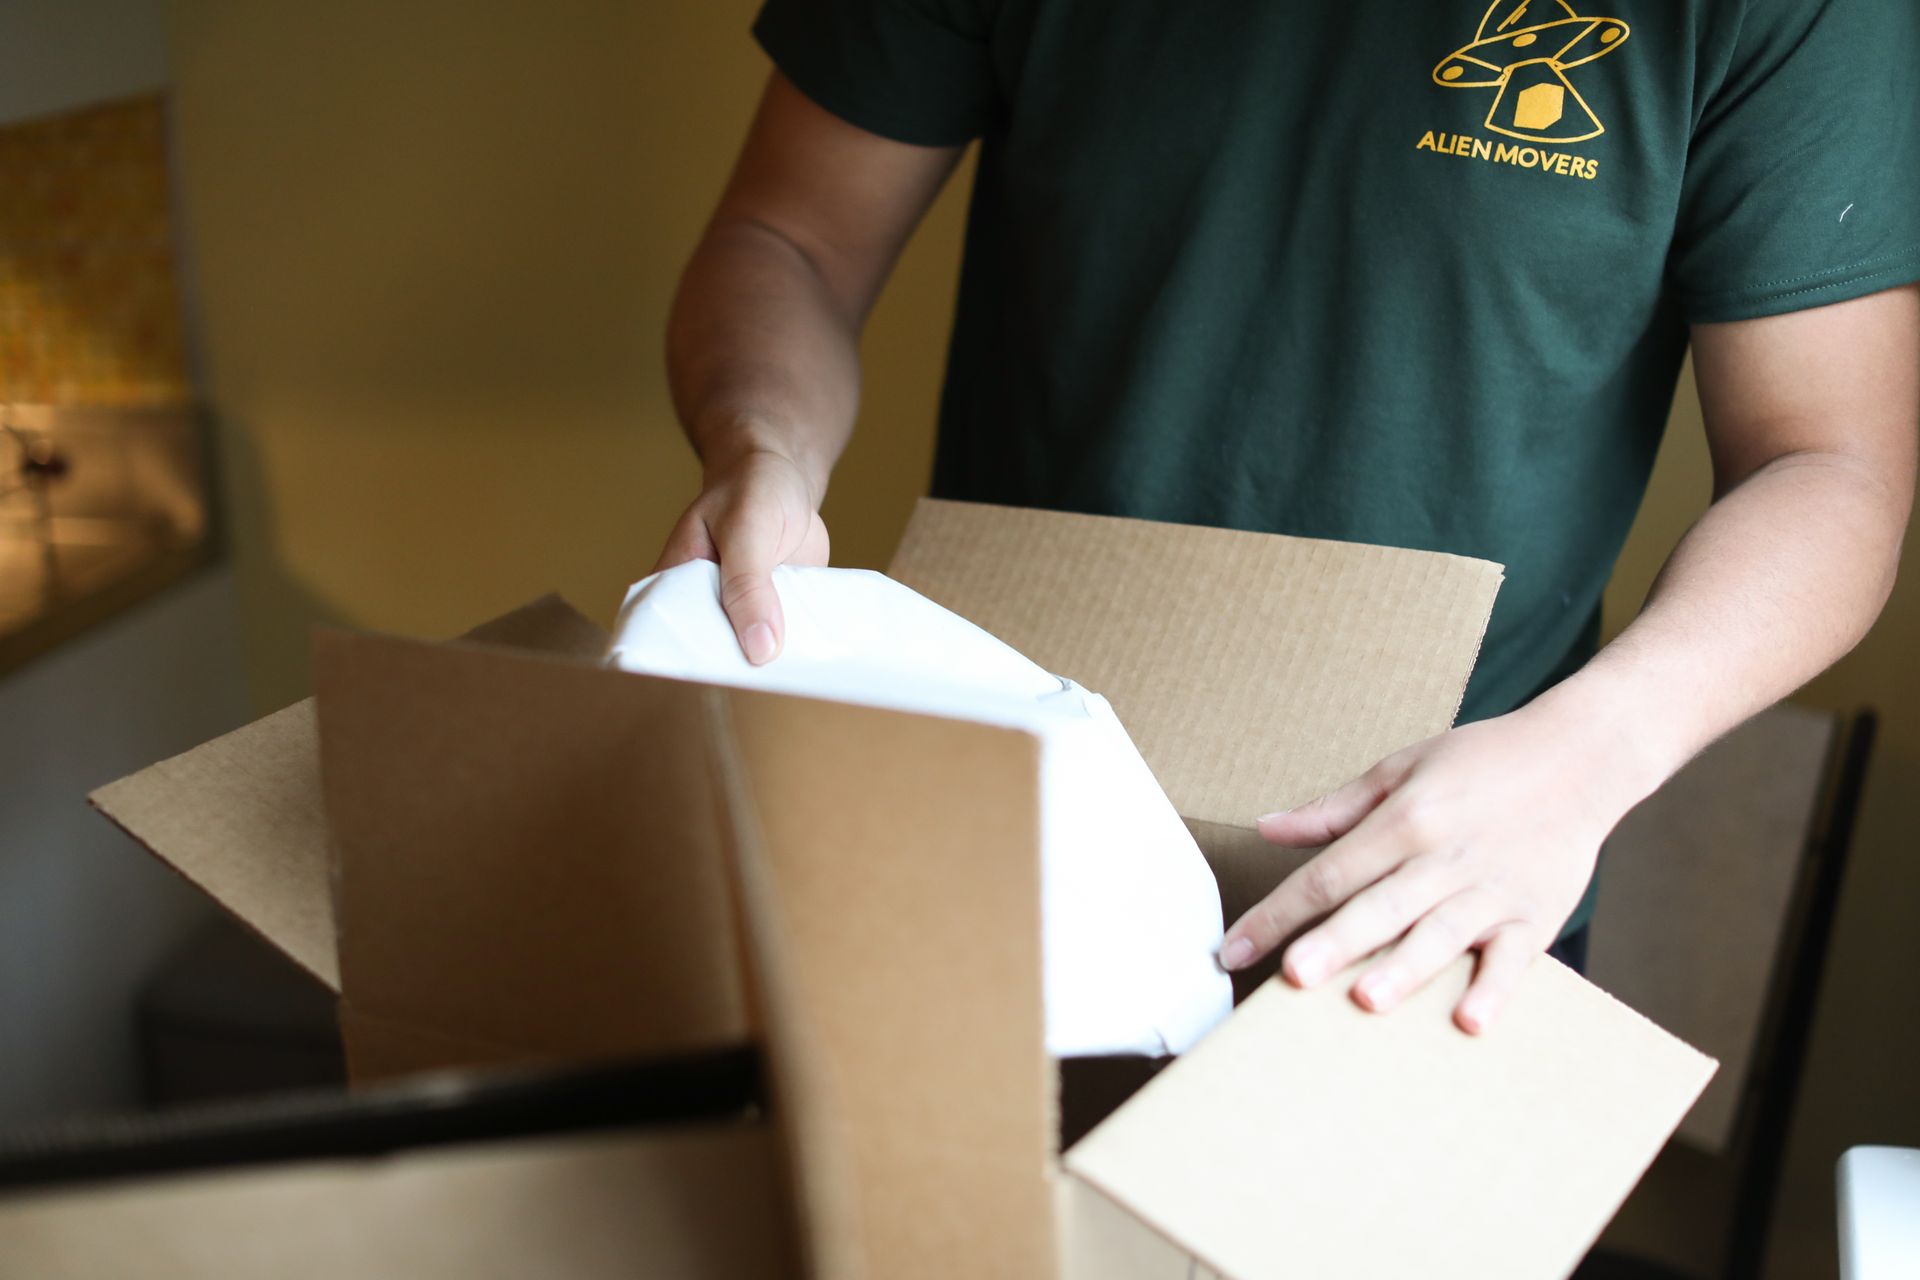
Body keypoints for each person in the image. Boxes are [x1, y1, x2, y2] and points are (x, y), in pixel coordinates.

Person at [653, 0, 1920, 1033]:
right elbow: (790, 237)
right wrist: (761, 441)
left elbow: (1830, 463)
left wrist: (1598, 750)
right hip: (996, 799)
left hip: (1448, 849)